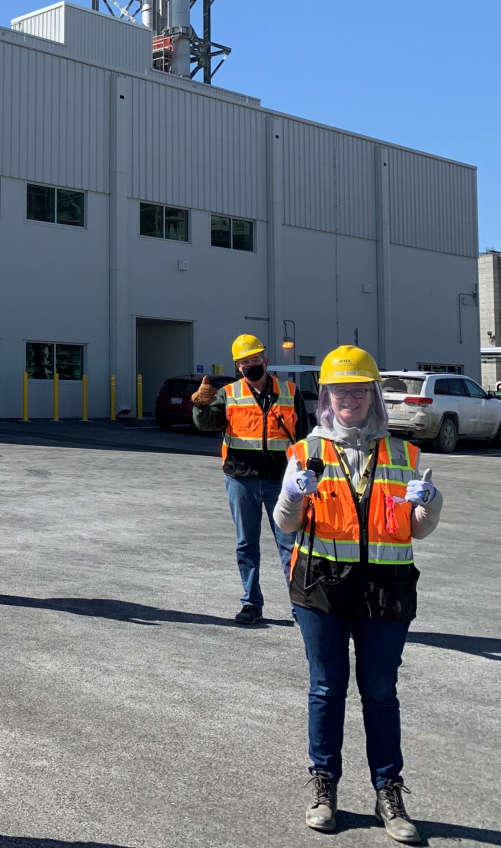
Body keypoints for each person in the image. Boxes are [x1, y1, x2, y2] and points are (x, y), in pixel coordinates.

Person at [276, 345, 441, 843]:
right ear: (326, 398)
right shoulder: (306, 453)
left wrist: (430, 503)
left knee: (380, 693)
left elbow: (419, 528)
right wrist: (293, 494)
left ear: (373, 396)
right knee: (326, 689)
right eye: (339, 392)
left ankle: (388, 790)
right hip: (321, 588)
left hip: (385, 592)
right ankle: (324, 785)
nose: (349, 400)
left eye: (358, 391)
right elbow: (287, 522)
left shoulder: (403, 453)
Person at [192, 334, 309, 624]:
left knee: (290, 544)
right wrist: (200, 405)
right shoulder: (228, 393)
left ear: (265, 361)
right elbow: (206, 424)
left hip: (282, 483)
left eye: (255, 359)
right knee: (247, 544)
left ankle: (301, 607)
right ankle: (251, 603)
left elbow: (306, 436)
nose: (252, 365)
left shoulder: (289, 391)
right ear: (238, 366)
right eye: (246, 362)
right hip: (240, 479)